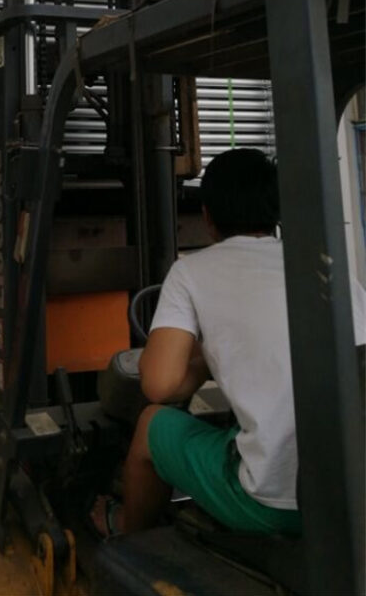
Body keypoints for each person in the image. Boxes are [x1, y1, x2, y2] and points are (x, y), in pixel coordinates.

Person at [94, 146, 365, 537]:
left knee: (152, 425)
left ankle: (126, 534)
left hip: (277, 504)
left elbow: (158, 385)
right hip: (354, 496)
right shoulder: (326, 265)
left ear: (207, 217)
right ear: (275, 210)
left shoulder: (190, 272)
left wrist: (204, 358)